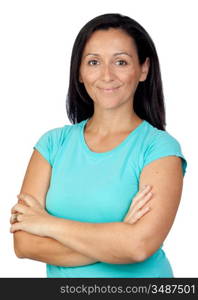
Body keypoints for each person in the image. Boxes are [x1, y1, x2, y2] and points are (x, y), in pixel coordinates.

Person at [10, 13, 187, 278]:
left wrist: (47, 224)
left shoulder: (159, 149)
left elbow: (138, 246)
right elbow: (24, 244)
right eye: (93, 62)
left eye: (121, 62)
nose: (107, 75)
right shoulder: (52, 145)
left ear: (143, 69)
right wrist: (118, 237)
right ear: (79, 72)